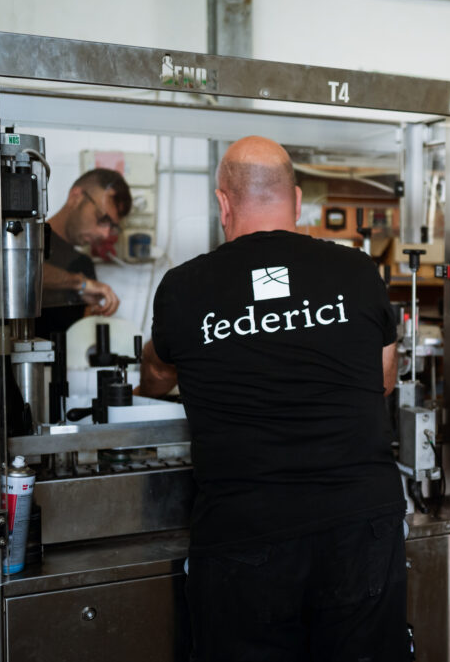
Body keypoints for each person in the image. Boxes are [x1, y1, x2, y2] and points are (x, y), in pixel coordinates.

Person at [138, 136, 407, 661]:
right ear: (297, 200)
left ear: (223, 203)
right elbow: (382, 379)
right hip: (360, 527)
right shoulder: (357, 271)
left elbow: (157, 374)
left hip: (247, 536)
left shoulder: (183, 288)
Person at [37, 168, 131, 339]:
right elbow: (19, 271)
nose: (105, 234)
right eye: (102, 219)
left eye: (112, 227)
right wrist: (79, 283)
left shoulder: (83, 264)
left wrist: (94, 313)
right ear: (76, 197)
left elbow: (81, 340)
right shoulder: (26, 241)